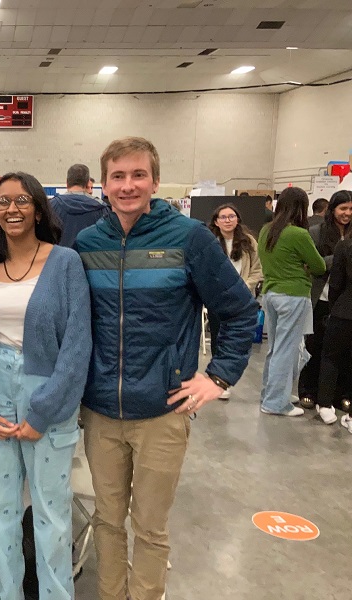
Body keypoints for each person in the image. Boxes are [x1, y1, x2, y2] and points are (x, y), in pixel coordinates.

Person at [75, 137, 258, 600]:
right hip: (100, 412)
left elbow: (237, 311)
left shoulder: (188, 238)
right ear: (103, 184)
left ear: (155, 181)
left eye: (139, 175)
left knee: (151, 527)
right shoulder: (87, 243)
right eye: (119, 176)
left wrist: (217, 377)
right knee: (107, 521)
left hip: (162, 411)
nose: (129, 185)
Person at [0, 171, 91, 600]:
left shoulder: (65, 263)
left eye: (21, 200)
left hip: (46, 391)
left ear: (37, 208)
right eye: (2, 202)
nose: (11, 209)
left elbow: (77, 343)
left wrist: (44, 410)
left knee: (52, 516)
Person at [258, 186, 326, 416]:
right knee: (286, 350)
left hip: (271, 294)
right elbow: (319, 266)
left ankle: (271, 393)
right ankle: (276, 402)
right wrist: (303, 266)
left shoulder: (266, 231)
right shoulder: (299, 234)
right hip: (294, 295)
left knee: (276, 348)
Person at [207, 203, 264, 399]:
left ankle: (228, 376)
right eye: (223, 217)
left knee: (236, 337)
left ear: (238, 219)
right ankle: (217, 378)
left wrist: (244, 288)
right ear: (216, 221)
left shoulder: (249, 242)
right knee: (217, 334)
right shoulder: (210, 242)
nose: (228, 220)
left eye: (231, 216)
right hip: (217, 296)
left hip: (241, 296)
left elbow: (257, 270)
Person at [306, 190, 352, 423]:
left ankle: (339, 397)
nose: (347, 214)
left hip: (344, 304)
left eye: (351, 209)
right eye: (343, 208)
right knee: (316, 348)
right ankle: (310, 392)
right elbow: (312, 265)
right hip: (322, 297)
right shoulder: (316, 233)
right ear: (332, 209)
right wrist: (339, 257)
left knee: (341, 354)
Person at [318, 235, 352, 434]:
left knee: (330, 358)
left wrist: (333, 308)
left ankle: (324, 405)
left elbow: (336, 282)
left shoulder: (345, 244)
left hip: (343, 311)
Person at [50, 163, 110, 247]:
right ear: (87, 183)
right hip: (90, 258)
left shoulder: (51, 206)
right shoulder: (101, 208)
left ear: (67, 183)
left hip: (59, 259)